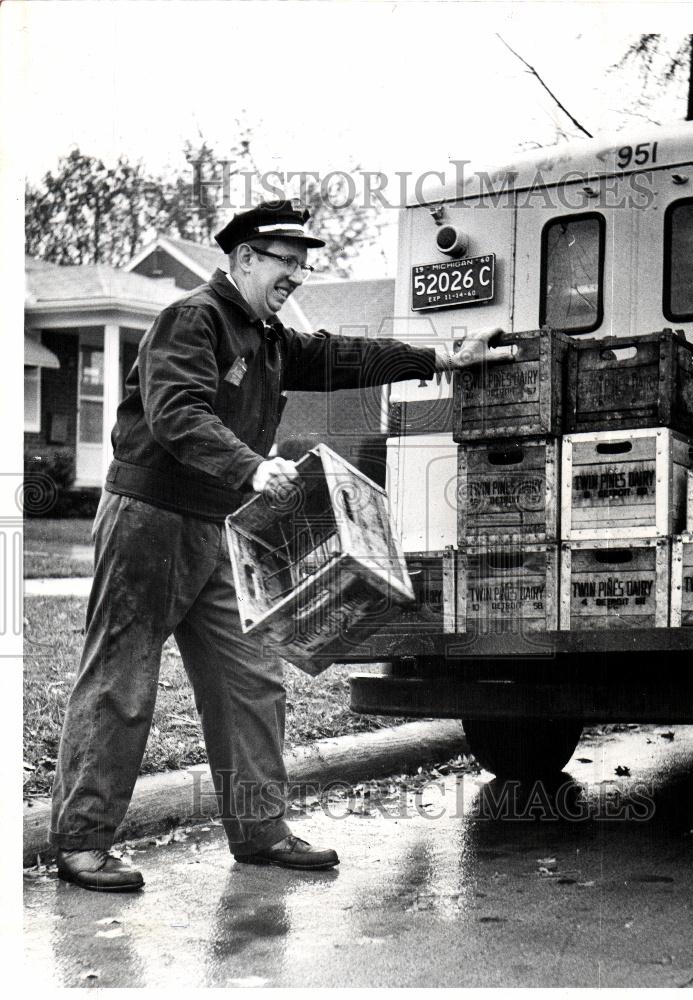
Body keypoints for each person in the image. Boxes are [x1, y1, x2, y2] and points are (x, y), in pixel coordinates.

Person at [50, 199, 510, 891]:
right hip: (150, 518)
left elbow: (340, 356)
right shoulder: (194, 318)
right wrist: (250, 466)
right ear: (241, 260)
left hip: (214, 524)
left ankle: (260, 831)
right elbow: (177, 412)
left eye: (302, 264)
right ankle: (82, 842)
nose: (295, 274)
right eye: (284, 261)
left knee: (250, 678)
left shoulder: (265, 336)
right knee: (123, 678)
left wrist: (440, 355)